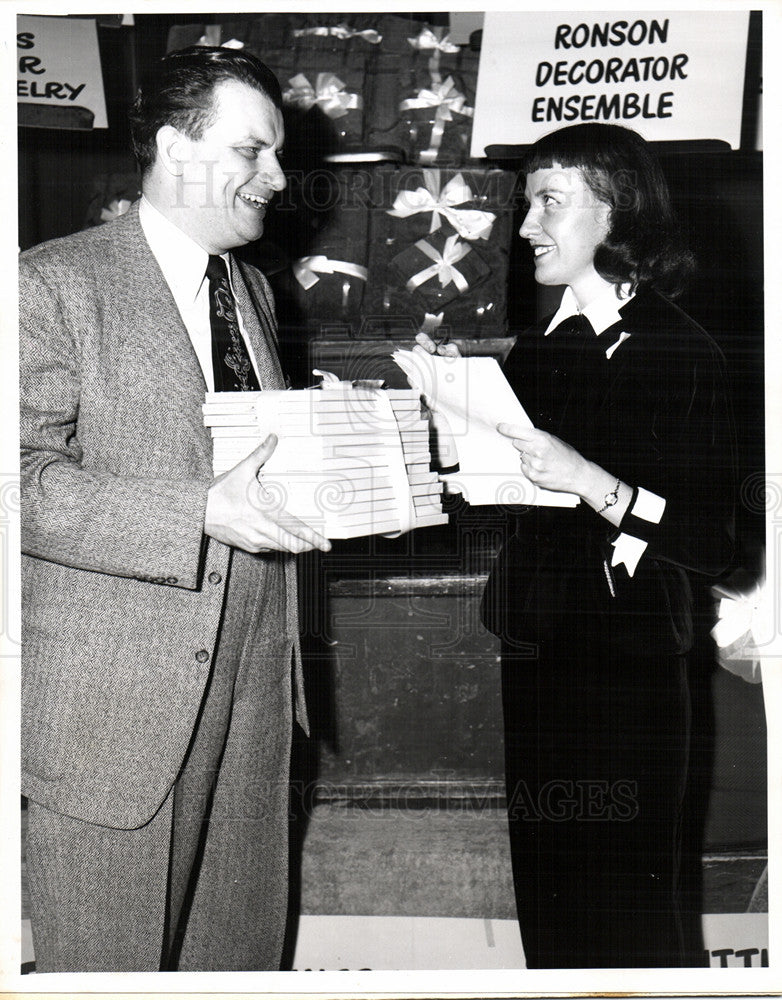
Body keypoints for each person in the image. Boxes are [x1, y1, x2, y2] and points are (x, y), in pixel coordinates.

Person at [19, 46, 331, 973]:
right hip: (117, 720)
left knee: (234, 967)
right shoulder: (48, 285)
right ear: (172, 146)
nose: (277, 177)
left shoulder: (254, 290)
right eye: (252, 151)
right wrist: (196, 512)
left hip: (254, 701)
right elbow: (18, 484)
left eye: (276, 153)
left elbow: (253, 462)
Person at [419, 123, 735, 968]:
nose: (525, 228)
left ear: (619, 213)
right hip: (539, 644)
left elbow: (716, 541)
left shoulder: (681, 349)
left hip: (627, 667)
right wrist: (454, 419)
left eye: (550, 204)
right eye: (528, 206)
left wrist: (588, 476)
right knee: (552, 909)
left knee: (626, 914)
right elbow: (515, 495)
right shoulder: (545, 344)